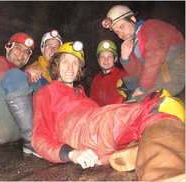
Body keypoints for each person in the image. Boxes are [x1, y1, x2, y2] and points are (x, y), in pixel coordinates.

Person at [31, 41, 185, 181]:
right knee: (159, 106)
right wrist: (71, 153)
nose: (70, 68)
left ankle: (137, 150)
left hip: (95, 132)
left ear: (79, 68)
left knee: (158, 103)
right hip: (80, 128)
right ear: (56, 65)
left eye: (75, 63)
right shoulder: (47, 92)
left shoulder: (82, 95)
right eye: (65, 62)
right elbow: (39, 138)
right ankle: (166, 174)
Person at [0, 32, 47, 157]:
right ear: (8, 47)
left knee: (39, 80)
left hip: (16, 129)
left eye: (27, 52)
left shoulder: (17, 73)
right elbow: (7, 80)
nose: (22, 54)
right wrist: (27, 74)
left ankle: (56, 130)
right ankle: (32, 142)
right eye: (18, 48)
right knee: (16, 75)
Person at [102, 5, 185, 102]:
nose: (121, 34)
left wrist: (142, 89)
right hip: (160, 72)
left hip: (177, 66)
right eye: (117, 32)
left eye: (122, 27)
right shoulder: (134, 43)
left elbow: (155, 56)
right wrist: (126, 58)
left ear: (132, 19)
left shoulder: (151, 26)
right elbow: (139, 74)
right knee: (124, 83)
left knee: (141, 101)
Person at [90, 40, 128, 106]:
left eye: (109, 56)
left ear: (115, 59)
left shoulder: (124, 76)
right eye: (102, 57)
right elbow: (93, 103)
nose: (106, 60)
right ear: (98, 60)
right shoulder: (96, 80)